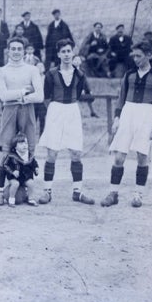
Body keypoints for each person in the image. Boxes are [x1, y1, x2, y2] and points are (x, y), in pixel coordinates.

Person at [101, 42, 152, 208]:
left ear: (149, 55)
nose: (135, 59)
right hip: (128, 113)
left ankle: (138, 194)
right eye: (134, 56)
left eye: (139, 56)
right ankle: (113, 193)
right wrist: (117, 119)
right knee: (119, 156)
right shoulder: (129, 75)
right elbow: (121, 99)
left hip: (146, 115)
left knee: (142, 156)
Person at [38, 39, 95, 206]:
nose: (66, 54)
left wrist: (67, 108)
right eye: (63, 51)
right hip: (56, 110)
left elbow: (77, 95)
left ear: (73, 53)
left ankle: (77, 191)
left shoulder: (80, 75)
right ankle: (47, 191)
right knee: (52, 153)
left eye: (69, 51)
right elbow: (46, 97)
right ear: (58, 54)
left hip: (72, 111)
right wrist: (55, 111)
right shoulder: (51, 74)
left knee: (76, 152)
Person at [0, 37, 43, 205]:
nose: (16, 52)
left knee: (28, 149)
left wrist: (22, 98)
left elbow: (40, 96)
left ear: (24, 51)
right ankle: (0, 192)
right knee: (6, 152)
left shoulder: (32, 70)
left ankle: (28, 192)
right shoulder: (1, 71)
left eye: (19, 49)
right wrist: (24, 91)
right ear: (8, 50)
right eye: (12, 49)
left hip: (27, 111)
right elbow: (3, 96)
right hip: (9, 112)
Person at [2, 132, 40, 207]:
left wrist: (36, 168)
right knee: (15, 184)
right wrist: (12, 172)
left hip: (25, 176)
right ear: (15, 146)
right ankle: (11, 199)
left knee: (31, 183)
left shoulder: (29, 156)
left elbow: (34, 163)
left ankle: (30, 198)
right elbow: (5, 165)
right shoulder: (11, 156)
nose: (24, 145)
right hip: (14, 177)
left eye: (26, 143)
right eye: (21, 144)